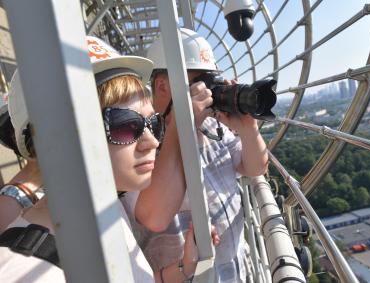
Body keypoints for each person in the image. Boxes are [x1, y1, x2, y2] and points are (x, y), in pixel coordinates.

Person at [0, 36, 213, 282]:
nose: (153, 142)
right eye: (125, 125)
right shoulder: (27, 273)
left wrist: (184, 268)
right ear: (58, 140)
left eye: (152, 124)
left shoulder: (104, 207)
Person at [139, 28, 268, 283]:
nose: (209, 92)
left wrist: (248, 127)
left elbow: (254, 167)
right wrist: (181, 125)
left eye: (211, 82)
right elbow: (153, 217)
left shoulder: (211, 127)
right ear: (163, 85)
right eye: (200, 83)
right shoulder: (141, 139)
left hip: (233, 272)